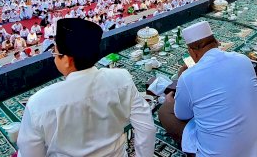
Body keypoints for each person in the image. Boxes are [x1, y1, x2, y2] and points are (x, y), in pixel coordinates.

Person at [17, 18, 155, 156]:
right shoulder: (122, 78)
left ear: (67, 60)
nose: (53, 57)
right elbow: (147, 128)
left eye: (55, 53)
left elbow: (29, 153)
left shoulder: (39, 103)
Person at [158, 21, 257, 157]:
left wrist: (179, 87)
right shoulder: (243, 59)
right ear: (216, 42)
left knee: (165, 111)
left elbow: (182, 115)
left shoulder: (188, 77)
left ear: (192, 52)